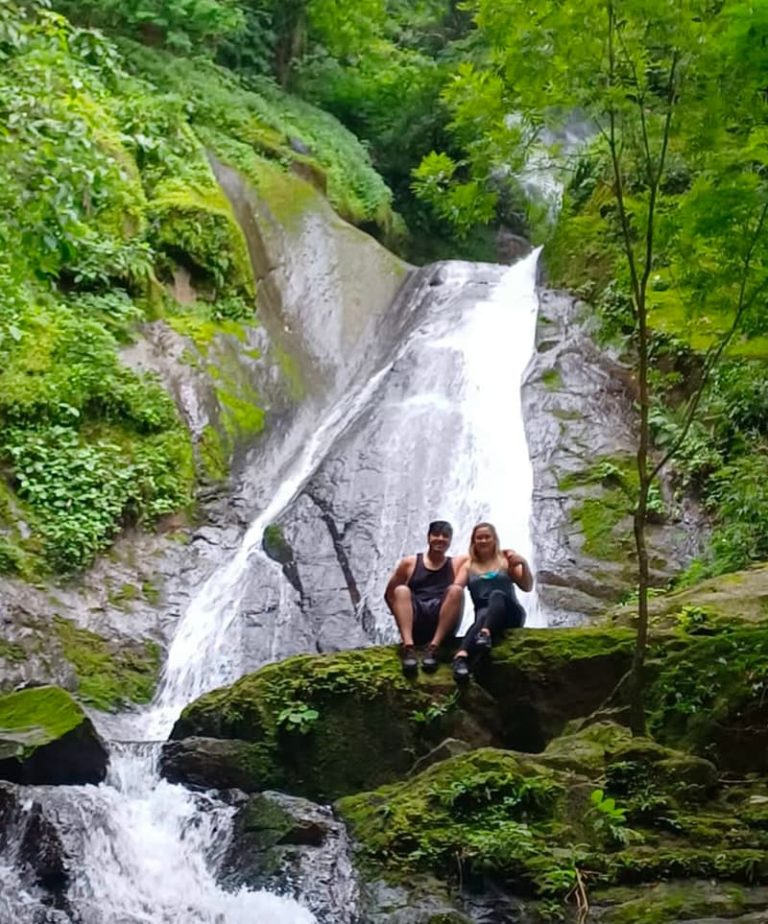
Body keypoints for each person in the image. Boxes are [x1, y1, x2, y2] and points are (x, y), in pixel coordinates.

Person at [451, 522, 533, 682]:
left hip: (511, 613)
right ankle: (461, 657)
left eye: (487, 537)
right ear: (473, 541)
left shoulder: (506, 560)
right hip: (483, 616)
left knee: (496, 595)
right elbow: (455, 589)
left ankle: (484, 634)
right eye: (479, 538)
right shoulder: (468, 566)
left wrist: (523, 563)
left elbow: (527, 586)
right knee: (483, 614)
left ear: (494, 539)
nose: (483, 541)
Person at [384, 520, 466, 675]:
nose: (440, 539)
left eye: (445, 536)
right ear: (428, 537)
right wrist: (401, 617)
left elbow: (485, 554)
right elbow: (389, 594)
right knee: (401, 590)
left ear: (450, 541)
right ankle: (408, 647)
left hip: (442, 622)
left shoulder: (456, 563)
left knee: (456, 590)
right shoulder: (410, 563)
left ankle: (434, 648)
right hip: (416, 619)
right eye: (436, 534)